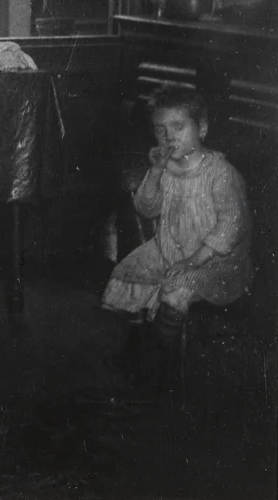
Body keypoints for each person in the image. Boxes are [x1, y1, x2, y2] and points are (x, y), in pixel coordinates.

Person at [102, 85, 251, 344]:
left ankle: (164, 357)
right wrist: (157, 171)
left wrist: (194, 260)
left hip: (216, 261)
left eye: (178, 127)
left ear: (201, 128)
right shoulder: (166, 169)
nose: (169, 137)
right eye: (161, 130)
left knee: (177, 293)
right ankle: (140, 343)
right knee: (126, 272)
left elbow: (232, 226)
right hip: (170, 249)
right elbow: (146, 209)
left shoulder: (220, 173)